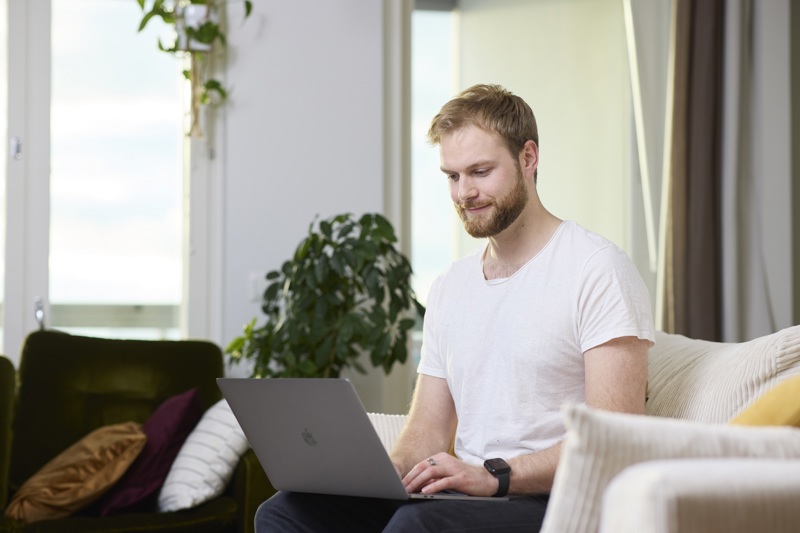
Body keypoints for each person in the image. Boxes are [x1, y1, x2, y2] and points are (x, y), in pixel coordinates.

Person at [254, 83, 655, 532]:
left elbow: (614, 441)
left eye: (480, 171)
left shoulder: (596, 269)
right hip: (466, 494)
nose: (464, 192)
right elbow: (427, 430)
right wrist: (378, 478)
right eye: (452, 176)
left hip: (551, 502)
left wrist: (493, 476)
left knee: (416, 526)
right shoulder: (450, 286)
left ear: (528, 158)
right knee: (284, 512)